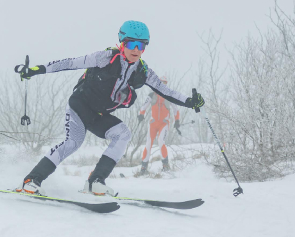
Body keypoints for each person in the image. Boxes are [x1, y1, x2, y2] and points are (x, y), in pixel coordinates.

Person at [14, 20, 205, 196]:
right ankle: (31, 180)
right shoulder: (105, 57)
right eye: (131, 44)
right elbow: (70, 63)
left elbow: (165, 90)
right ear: (122, 42)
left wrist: (189, 101)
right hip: (80, 107)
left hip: (99, 115)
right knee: (73, 143)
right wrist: (35, 70)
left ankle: (95, 181)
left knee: (123, 134)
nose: (136, 49)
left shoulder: (143, 71)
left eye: (141, 45)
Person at [137, 76, 180, 176]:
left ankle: (165, 166)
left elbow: (176, 109)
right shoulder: (152, 95)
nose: (162, 85)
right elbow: (144, 106)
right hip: (153, 123)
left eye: (164, 83)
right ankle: (143, 168)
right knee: (148, 144)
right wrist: (141, 114)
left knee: (161, 141)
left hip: (164, 123)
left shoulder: (169, 95)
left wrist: (177, 120)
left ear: (166, 84)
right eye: (161, 83)